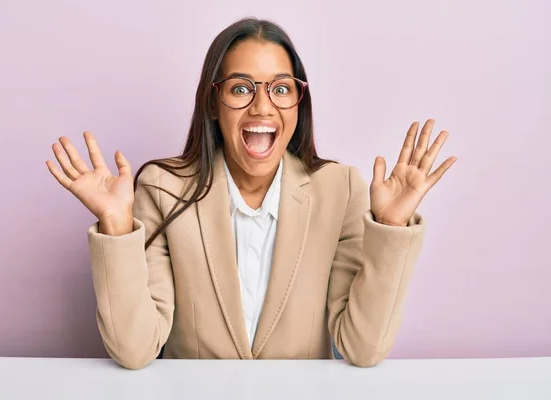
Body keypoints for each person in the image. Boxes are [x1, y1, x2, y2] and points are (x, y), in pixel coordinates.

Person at [46, 18, 456, 370]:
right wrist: (116, 225)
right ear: (212, 102)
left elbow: (363, 349)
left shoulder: (340, 189)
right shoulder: (162, 188)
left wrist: (391, 226)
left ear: (298, 102)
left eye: (281, 89)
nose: (262, 107)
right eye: (241, 89)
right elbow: (134, 351)